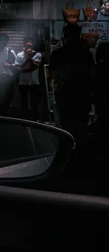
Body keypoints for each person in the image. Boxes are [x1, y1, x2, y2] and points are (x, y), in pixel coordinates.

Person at [50, 23, 95, 156]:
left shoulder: (58, 54)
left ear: (65, 37)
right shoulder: (86, 54)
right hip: (83, 96)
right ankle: (80, 154)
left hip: (64, 96)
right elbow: (92, 75)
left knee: (65, 128)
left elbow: (53, 75)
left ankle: (66, 155)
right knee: (81, 126)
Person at [14, 39, 43, 120]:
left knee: (34, 101)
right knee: (24, 102)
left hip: (34, 81)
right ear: (24, 44)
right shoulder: (19, 55)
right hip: (23, 82)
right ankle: (24, 119)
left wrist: (29, 57)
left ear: (33, 44)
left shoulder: (37, 54)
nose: (28, 43)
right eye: (27, 42)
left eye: (30, 41)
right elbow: (17, 68)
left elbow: (35, 66)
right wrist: (25, 69)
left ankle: (34, 119)